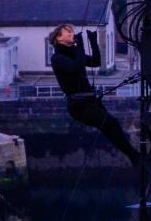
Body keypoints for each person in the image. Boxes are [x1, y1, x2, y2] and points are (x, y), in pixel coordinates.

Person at [49, 25, 139, 162]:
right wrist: (80, 46)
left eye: (72, 31)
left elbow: (96, 62)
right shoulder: (57, 58)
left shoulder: (74, 52)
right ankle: (134, 157)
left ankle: (134, 156)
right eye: (68, 32)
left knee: (111, 127)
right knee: (111, 123)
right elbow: (75, 66)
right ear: (58, 38)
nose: (72, 34)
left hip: (90, 101)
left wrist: (93, 42)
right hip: (78, 105)